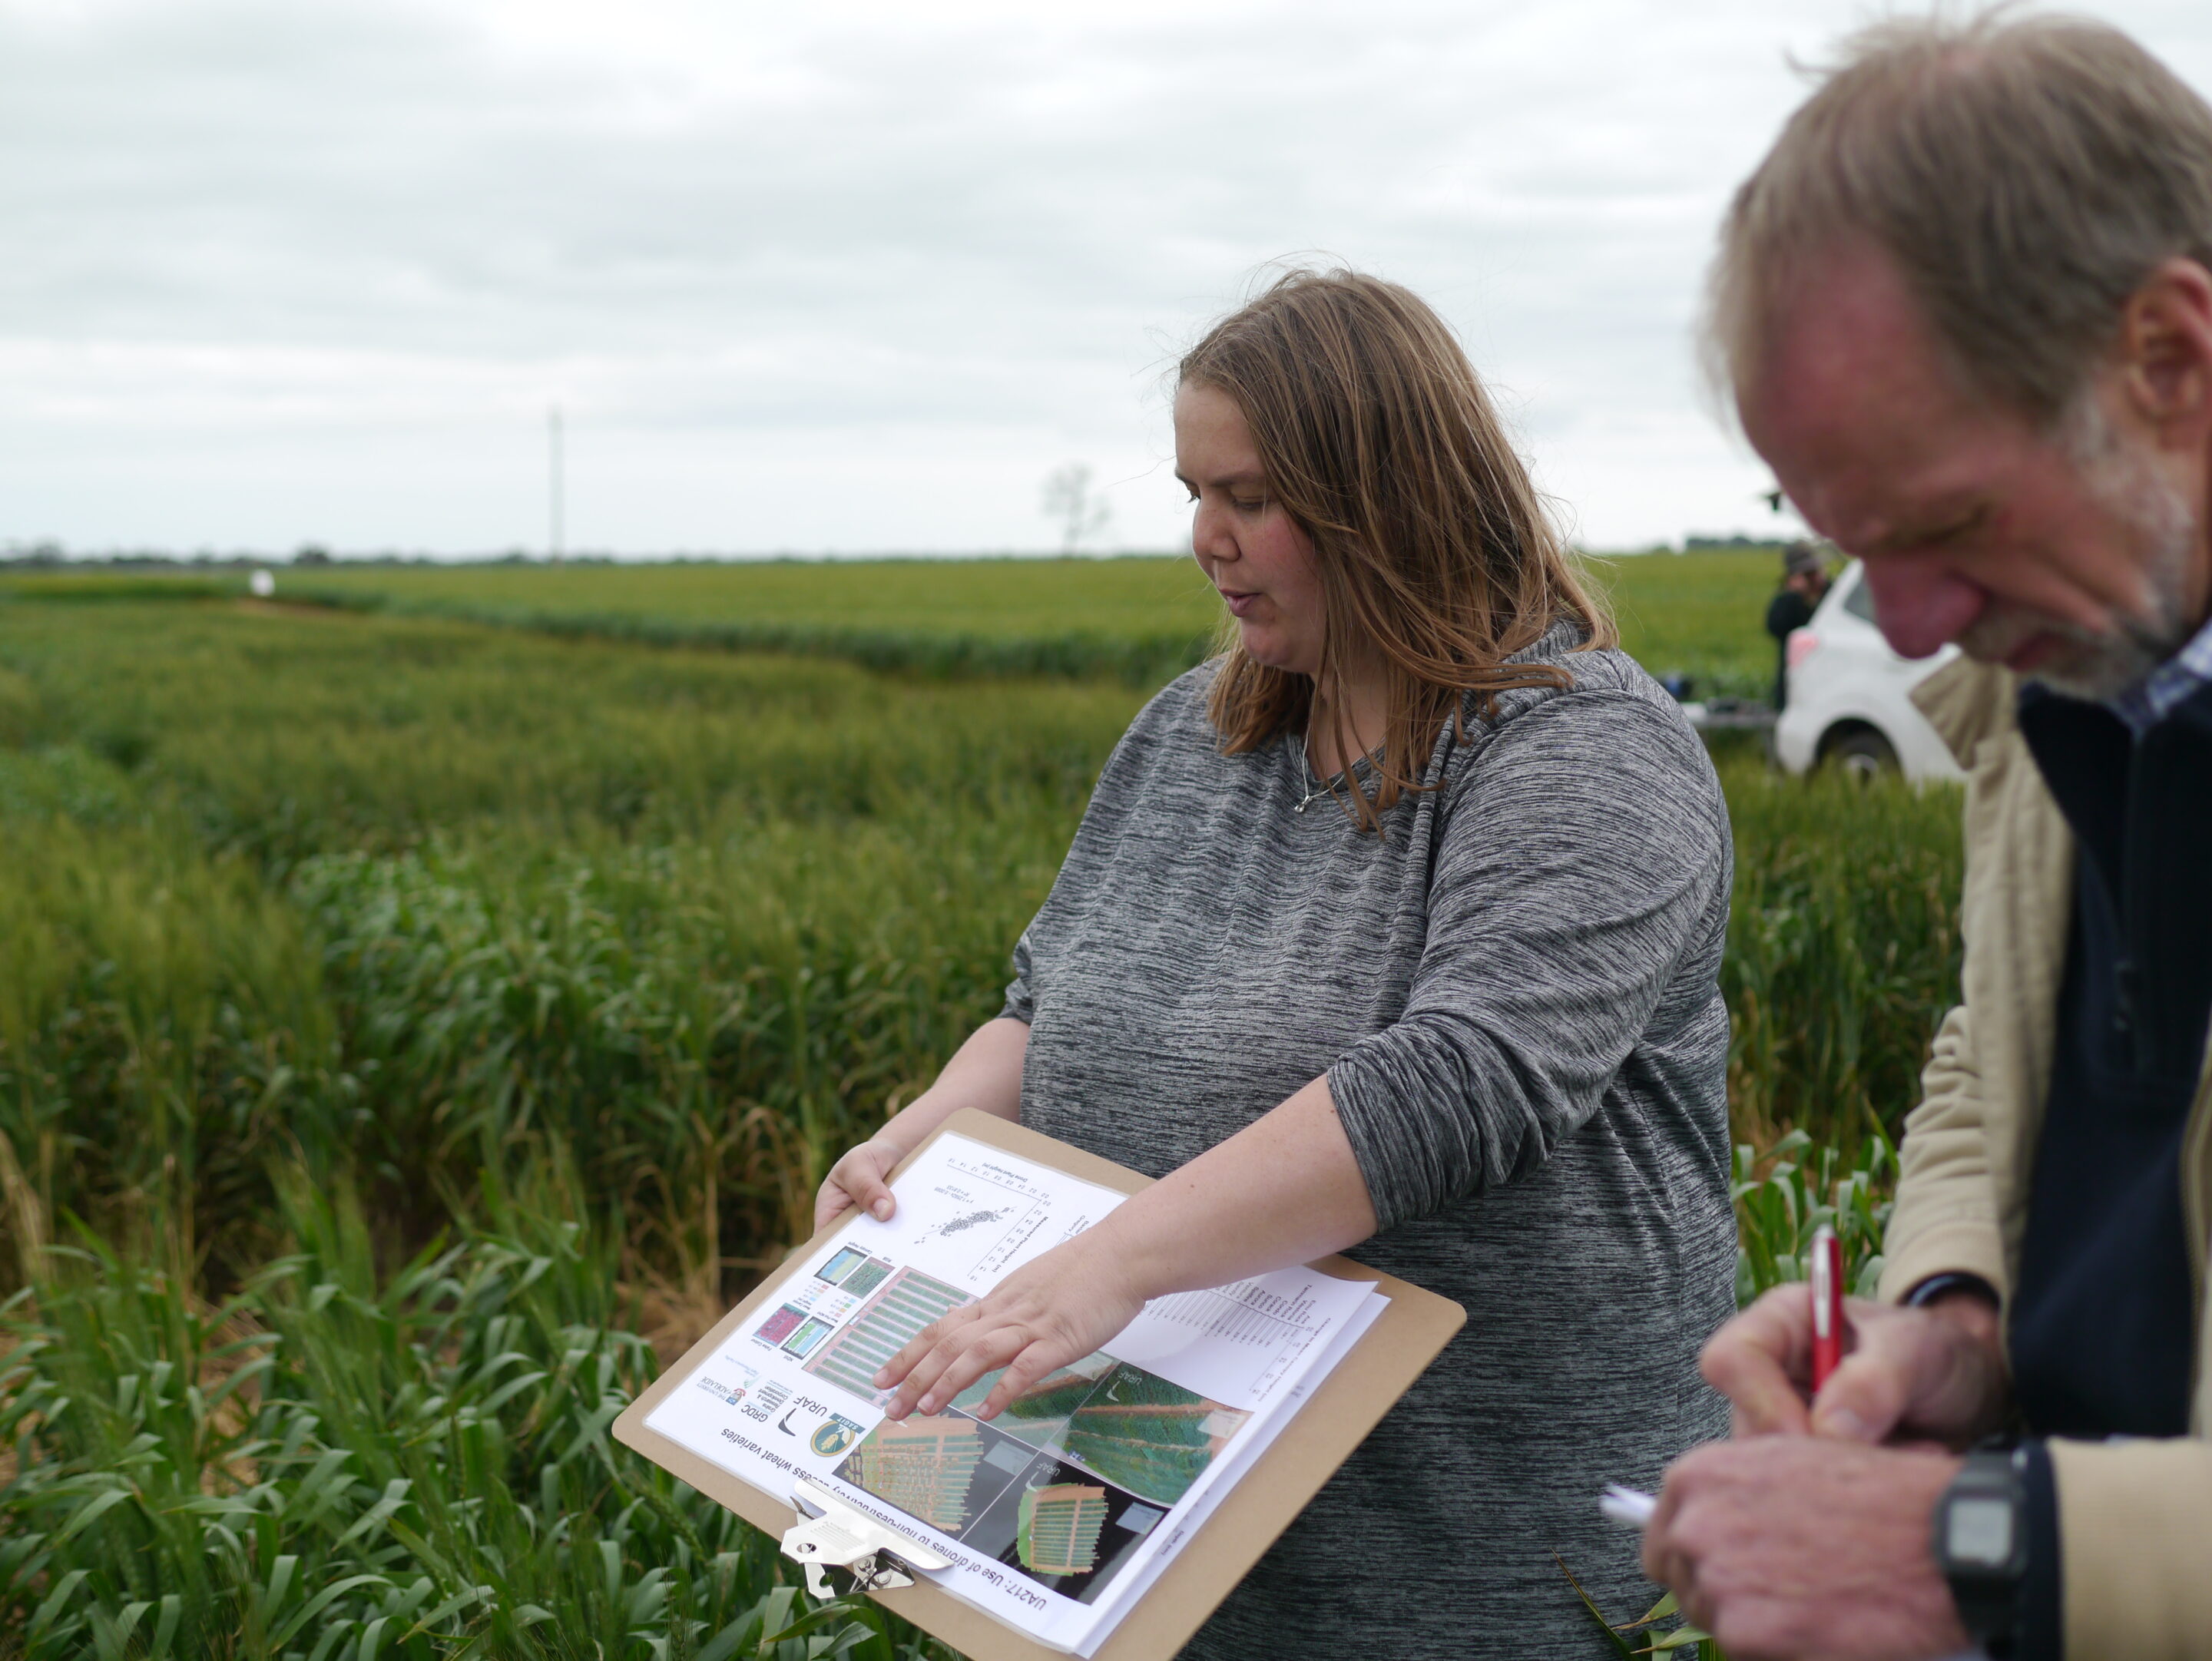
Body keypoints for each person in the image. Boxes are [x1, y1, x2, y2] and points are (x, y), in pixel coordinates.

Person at [814, 270, 1738, 1657]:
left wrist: (1115, 1264)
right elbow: (1044, 1003)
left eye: (1248, 497)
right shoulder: (1193, 736)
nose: (1206, 537)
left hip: (1492, 1570)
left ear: (1393, 499)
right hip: (1164, 1545)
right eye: (1194, 493)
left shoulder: (1583, 749)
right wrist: (917, 1137)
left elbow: (1463, 1080)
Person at [1644, 13, 2212, 1660]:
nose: (1915, 621)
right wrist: (1958, 1321)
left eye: (1947, 522)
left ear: (2167, 355)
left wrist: (2000, 1549)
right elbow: (2005, 1044)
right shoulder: (2083, 668)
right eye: (1851, 545)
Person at [1763, 541, 1830, 710]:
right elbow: (1775, 627)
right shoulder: (1786, 601)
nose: (1812, 579)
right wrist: (1793, 595)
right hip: (1795, 681)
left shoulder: (1831, 595)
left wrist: (1824, 585)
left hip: (1827, 677)